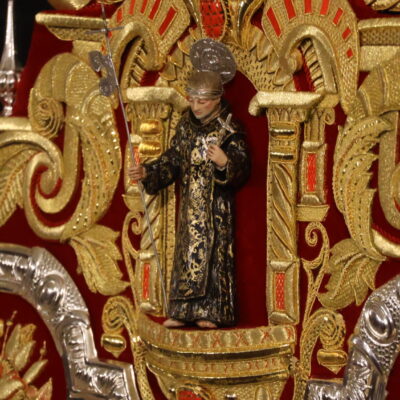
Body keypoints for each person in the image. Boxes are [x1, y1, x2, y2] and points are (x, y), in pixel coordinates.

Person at [129, 40, 250, 329]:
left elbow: (243, 165)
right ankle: (183, 310)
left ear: (217, 99)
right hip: (190, 207)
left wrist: (225, 162)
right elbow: (173, 158)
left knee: (213, 258)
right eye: (192, 100)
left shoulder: (229, 128)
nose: (195, 106)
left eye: (202, 101)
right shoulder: (185, 126)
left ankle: (212, 311)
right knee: (186, 254)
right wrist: (148, 171)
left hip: (215, 209)